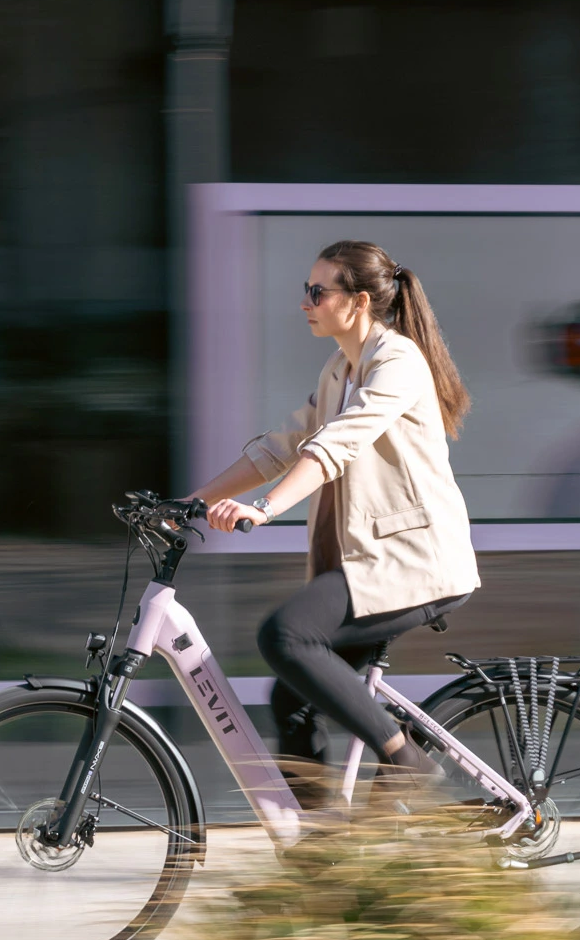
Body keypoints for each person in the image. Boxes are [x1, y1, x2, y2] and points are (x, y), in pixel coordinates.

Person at [191, 240, 480, 797]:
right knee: (290, 697)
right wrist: (193, 502)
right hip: (375, 563)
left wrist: (265, 508)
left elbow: (335, 446)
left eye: (318, 291)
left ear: (360, 301)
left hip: (416, 562)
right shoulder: (340, 368)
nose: (307, 301)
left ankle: (404, 759)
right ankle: (321, 852)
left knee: (286, 636)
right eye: (307, 290)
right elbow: (281, 446)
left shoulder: (397, 362)